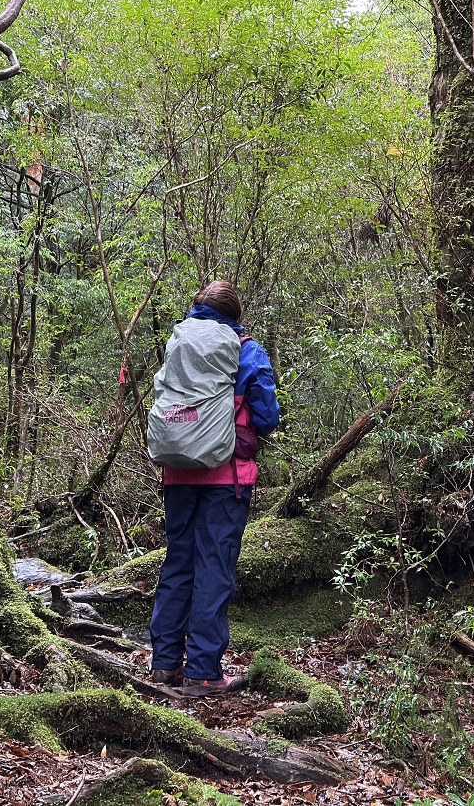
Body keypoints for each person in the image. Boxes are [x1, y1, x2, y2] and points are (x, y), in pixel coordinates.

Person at [147, 279, 281, 696]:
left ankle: (164, 665)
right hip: (227, 479)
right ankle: (204, 671)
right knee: (214, 568)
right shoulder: (245, 349)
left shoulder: (179, 343)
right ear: (234, 314)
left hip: (177, 473)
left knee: (177, 563)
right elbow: (267, 416)